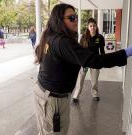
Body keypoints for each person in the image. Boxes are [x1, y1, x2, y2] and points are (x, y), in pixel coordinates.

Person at [34, 3, 132, 135]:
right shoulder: (62, 41)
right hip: (52, 100)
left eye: (75, 17)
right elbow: (95, 60)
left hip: (45, 94)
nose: (76, 20)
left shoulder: (51, 36)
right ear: (59, 20)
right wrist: (126, 52)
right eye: (72, 18)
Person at [72, 18, 105, 103]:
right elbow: (79, 49)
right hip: (85, 62)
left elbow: (102, 50)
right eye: (91, 26)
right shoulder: (84, 37)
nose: (92, 27)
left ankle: (95, 94)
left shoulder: (100, 37)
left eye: (94, 25)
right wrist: (79, 60)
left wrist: (103, 60)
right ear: (88, 27)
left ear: (96, 26)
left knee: (94, 80)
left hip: (95, 61)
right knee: (80, 78)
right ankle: (76, 96)